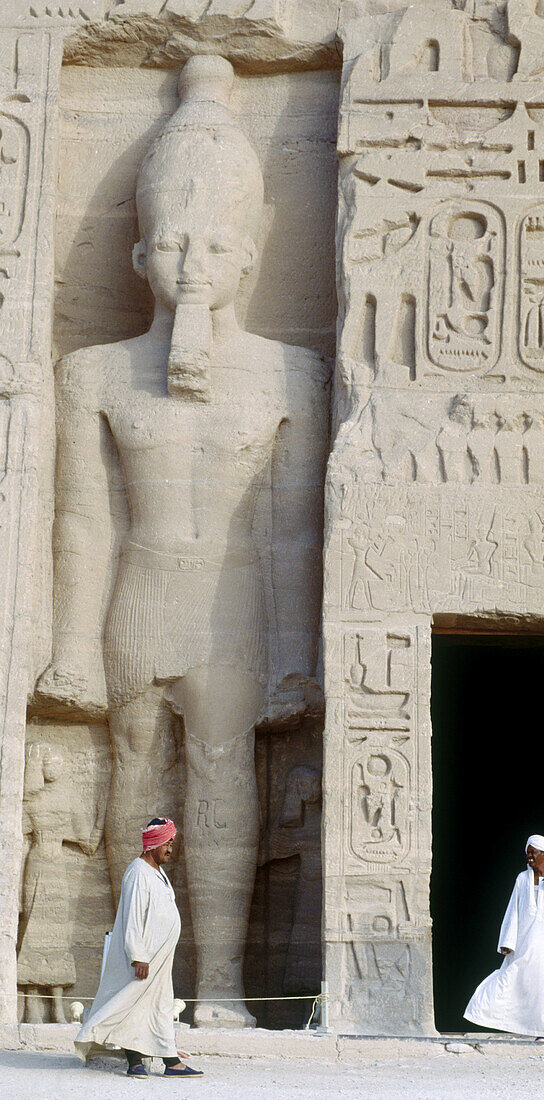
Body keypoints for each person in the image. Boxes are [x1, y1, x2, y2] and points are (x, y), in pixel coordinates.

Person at [38, 53, 327, 1026]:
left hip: (237, 595)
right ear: (138, 254)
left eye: (212, 249)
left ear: (249, 255)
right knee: (133, 770)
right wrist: (73, 644)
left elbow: (291, 531)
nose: (192, 267)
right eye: (172, 247)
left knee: (222, 774)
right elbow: (81, 519)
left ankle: (223, 987)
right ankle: (130, 979)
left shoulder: (290, 374)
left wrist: (290, 652)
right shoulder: (95, 372)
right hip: (139, 589)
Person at [75, 817, 203, 1078]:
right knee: (132, 1007)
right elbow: (131, 917)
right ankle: (160, 1062)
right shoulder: (137, 871)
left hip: (159, 959)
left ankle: (153, 1063)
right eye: (166, 842)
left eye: (172, 843)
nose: (170, 848)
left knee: (156, 1008)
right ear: (152, 843)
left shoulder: (157, 872)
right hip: (145, 959)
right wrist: (138, 957)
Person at [464, 833, 544, 1039]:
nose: (529, 856)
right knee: (520, 980)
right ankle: (538, 1031)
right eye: (527, 852)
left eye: (533, 852)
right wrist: (507, 942)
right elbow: (513, 912)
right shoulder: (522, 879)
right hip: (525, 942)